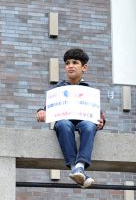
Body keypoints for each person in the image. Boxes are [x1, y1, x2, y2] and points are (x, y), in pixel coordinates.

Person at [35, 48, 106, 188]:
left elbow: (98, 115)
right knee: (62, 124)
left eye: (75, 62)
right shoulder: (58, 88)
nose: (70, 66)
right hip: (65, 122)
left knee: (89, 125)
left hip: (84, 121)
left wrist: (101, 123)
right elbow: (47, 109)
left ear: (84, 67)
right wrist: (41, 112)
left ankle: (79, 165)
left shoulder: (89, 91)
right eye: (67, 63)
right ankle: (77, 169)